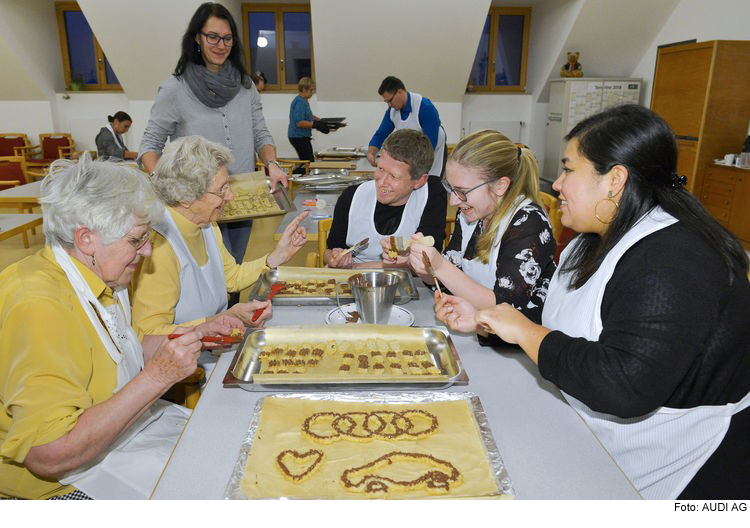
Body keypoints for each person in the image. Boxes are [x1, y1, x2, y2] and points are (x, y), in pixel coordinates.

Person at [435, 104, 750, 500]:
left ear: (614, 180)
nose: (556, 185)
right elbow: (559, 322)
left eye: (568, 169)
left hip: (687, 463)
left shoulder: (675, 259)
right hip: (599, 434)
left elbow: (624, 383)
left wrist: (526, 332)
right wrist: (489, 319)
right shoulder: (590, 239)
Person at [0, 156, 243, 499]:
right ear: (86, 239)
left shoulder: (100, 274)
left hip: (112, 446)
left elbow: (118, 350)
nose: (146, 252)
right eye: (136, 240)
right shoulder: (38, 306)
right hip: (59, 487)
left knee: (230, 453)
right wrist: (158, 377)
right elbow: (48, 456)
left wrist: (198, 334)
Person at [138, 2, 288, 276]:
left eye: (227, 38)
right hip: (196, 204)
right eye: (213, 37)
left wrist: (273, 164)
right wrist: (167, 187)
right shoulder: (175, 89)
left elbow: (261, 134)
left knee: (235, 272)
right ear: (197, 37)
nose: (221, 45)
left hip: (240, 197)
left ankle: (231, 318)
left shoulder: (246, 86)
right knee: (205, 277)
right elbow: (149, 146)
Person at [131, 136, 307, 339]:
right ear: (186, 197)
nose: (230, 195)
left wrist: (276, 257)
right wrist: (218, 320)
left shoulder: (206, 222)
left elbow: (229, 278)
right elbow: (149, 334)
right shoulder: (159, 247)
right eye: (222, 188)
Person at [408, 129, 556, 331]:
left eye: (462, 191)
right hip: (477, 329)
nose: (453, 200)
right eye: (451, 188)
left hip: (516, 346)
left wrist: (440, 266)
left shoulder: (529, 223)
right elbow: (451, 279)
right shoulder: (471, 214)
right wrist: (427, 269)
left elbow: (506, 308)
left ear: (500, 186)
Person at [325, 129, 446, 268]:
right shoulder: (352, 196)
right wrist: (334, 258)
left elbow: (427, 262)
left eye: (394, 176)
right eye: (380, 169)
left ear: (419, 181)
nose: (382, 182)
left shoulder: (431, 196)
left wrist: (355, 267)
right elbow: (329, 251)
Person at [367, 75, 447, 179]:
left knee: (431, 182)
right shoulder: (392, 111)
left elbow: (430, 144)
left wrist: (415, 167)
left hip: (433, 151)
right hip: (413, 153)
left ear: (400, 92)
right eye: (386, 102)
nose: (389, 105)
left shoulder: (425, 107)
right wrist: (371, 153)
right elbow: (381, 133)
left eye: (390, 100)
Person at [288, 77, 327, 166]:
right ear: (304, 89)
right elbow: (299, 122)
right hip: (298, 137)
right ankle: (289, 177)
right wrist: (316, 125)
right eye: (311, 90)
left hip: (301, 137)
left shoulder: (304, 101)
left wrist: (321, 121)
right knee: (307, 164)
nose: (312, 93)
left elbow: (309, 116)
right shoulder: (300, 102)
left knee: (308, 162)